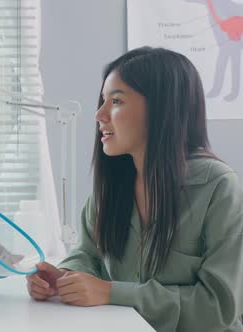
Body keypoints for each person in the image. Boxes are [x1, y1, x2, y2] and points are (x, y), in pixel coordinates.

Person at [26, 47, 243, 332]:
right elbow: (88, 254)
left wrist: (110, 292)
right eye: (103, 101)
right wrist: (65, 276)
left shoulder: (218, 188)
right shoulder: (111, 189)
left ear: (162, 107)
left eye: (115, 101)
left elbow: (219, 307)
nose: (99, 115)